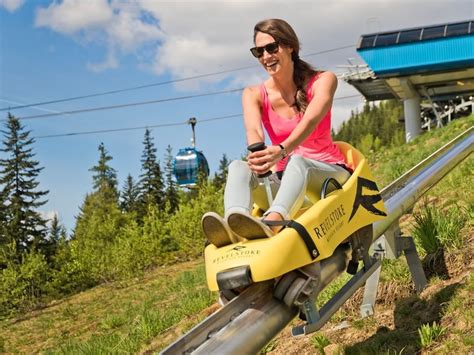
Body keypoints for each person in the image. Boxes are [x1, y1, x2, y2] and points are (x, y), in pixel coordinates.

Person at [202, 18, 352, 247]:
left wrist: (283, 150)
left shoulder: (323, 80)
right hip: (286, 182)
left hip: (327, 176)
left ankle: (274, 222)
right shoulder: (253, 93)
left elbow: (311, 119)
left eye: (272, 48)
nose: (266, 57)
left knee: (299, 162)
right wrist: (259, 155)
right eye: (258, 51)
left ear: (290, 46)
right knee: (238, 167)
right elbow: (253, 129)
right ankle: (235, 224)